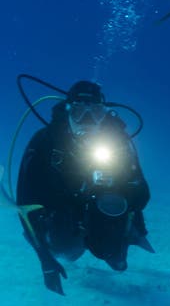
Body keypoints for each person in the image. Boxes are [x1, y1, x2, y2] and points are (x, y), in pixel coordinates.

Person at [16, 79, 153, 294]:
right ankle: (67, 246)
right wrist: (44, 259)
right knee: (65, 250)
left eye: (96, 112)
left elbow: (143, 195)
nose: (87, 120)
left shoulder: (119, 143)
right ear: (68, 111)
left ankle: (120, 243)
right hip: (61, 214)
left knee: (113, 256)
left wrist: (119, 190)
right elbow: (23, 205)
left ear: (105, 115)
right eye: (79, 111)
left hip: (101, 213)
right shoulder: (45, 142)